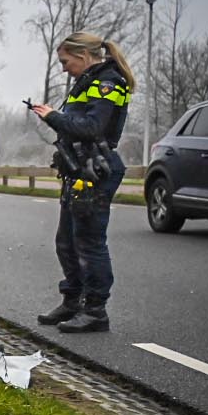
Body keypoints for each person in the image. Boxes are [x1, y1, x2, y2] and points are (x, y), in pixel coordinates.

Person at [29, 32, 134, 333]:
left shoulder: (109, 82)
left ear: (83, 55)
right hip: (78, 171)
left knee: (89, 242)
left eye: (65, 62)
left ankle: (96, 311)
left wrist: (53, 116)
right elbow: (76, 126)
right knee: (66, 241)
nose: (64, 69)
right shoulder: (86, 81)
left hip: (96, 170)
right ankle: (72, 301)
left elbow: (92, 127)